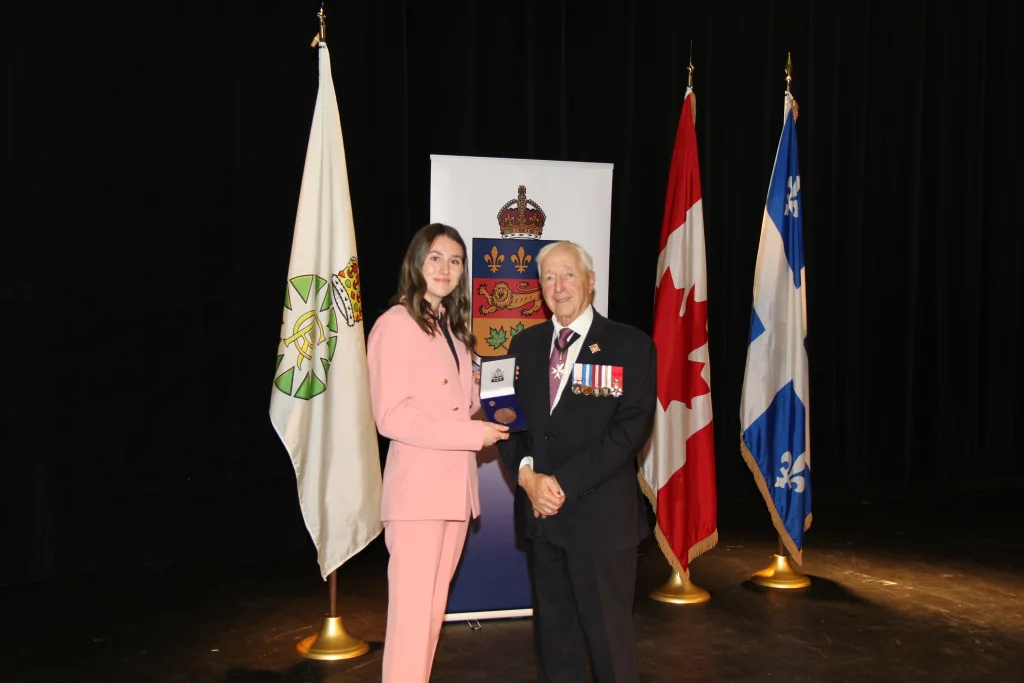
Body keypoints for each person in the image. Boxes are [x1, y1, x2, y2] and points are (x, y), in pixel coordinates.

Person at [498, 240, 657, 683]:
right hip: (542, 520)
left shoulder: (630, 346)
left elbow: (629, 432)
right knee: (555, 642)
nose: (559, 286)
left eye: (568, 274)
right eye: (548, 277)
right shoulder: (524, 346)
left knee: (610, 645)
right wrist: (528, 477)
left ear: (590, 281)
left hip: (600, 524)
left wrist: (561, 483)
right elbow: (511, 424)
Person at [366, 223, 511, 683]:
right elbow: (392, 417)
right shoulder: (394, 325)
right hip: (418, 495)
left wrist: (498, 386)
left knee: (430, 617)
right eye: (436, 258)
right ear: (417, 263)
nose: (446, 268)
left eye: (455, 261)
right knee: (411, 620)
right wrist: (472, 435)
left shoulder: (450, 326)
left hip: (453, 490)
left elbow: (458, 402)